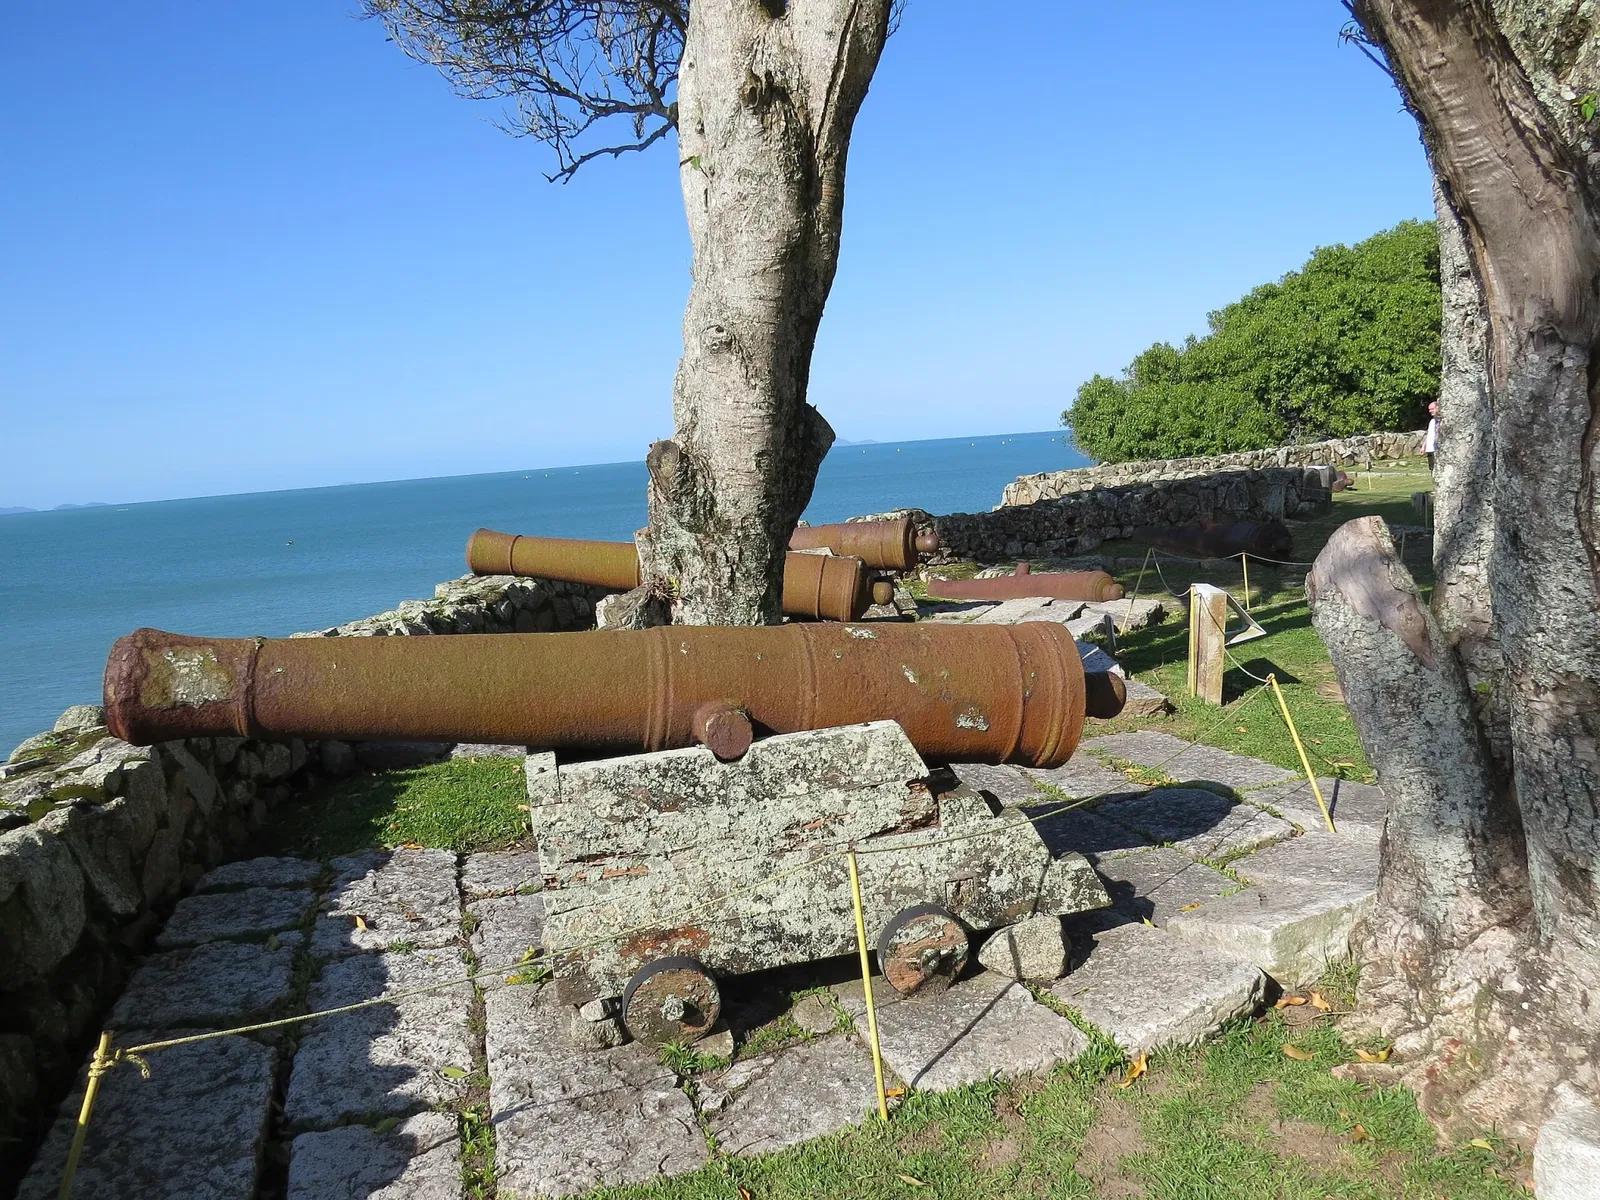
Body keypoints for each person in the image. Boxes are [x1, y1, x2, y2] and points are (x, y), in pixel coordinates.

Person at [1423, 400, 1440, 470]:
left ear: (1437, 408)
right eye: (1429, 409)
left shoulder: (1441, 421)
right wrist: (1423, 446)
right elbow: (1429, 434)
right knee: (1432, 468)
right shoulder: (1432, 421)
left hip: (1436, 449)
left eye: (1432, 409)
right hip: (1429, 449)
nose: (1430, 411)